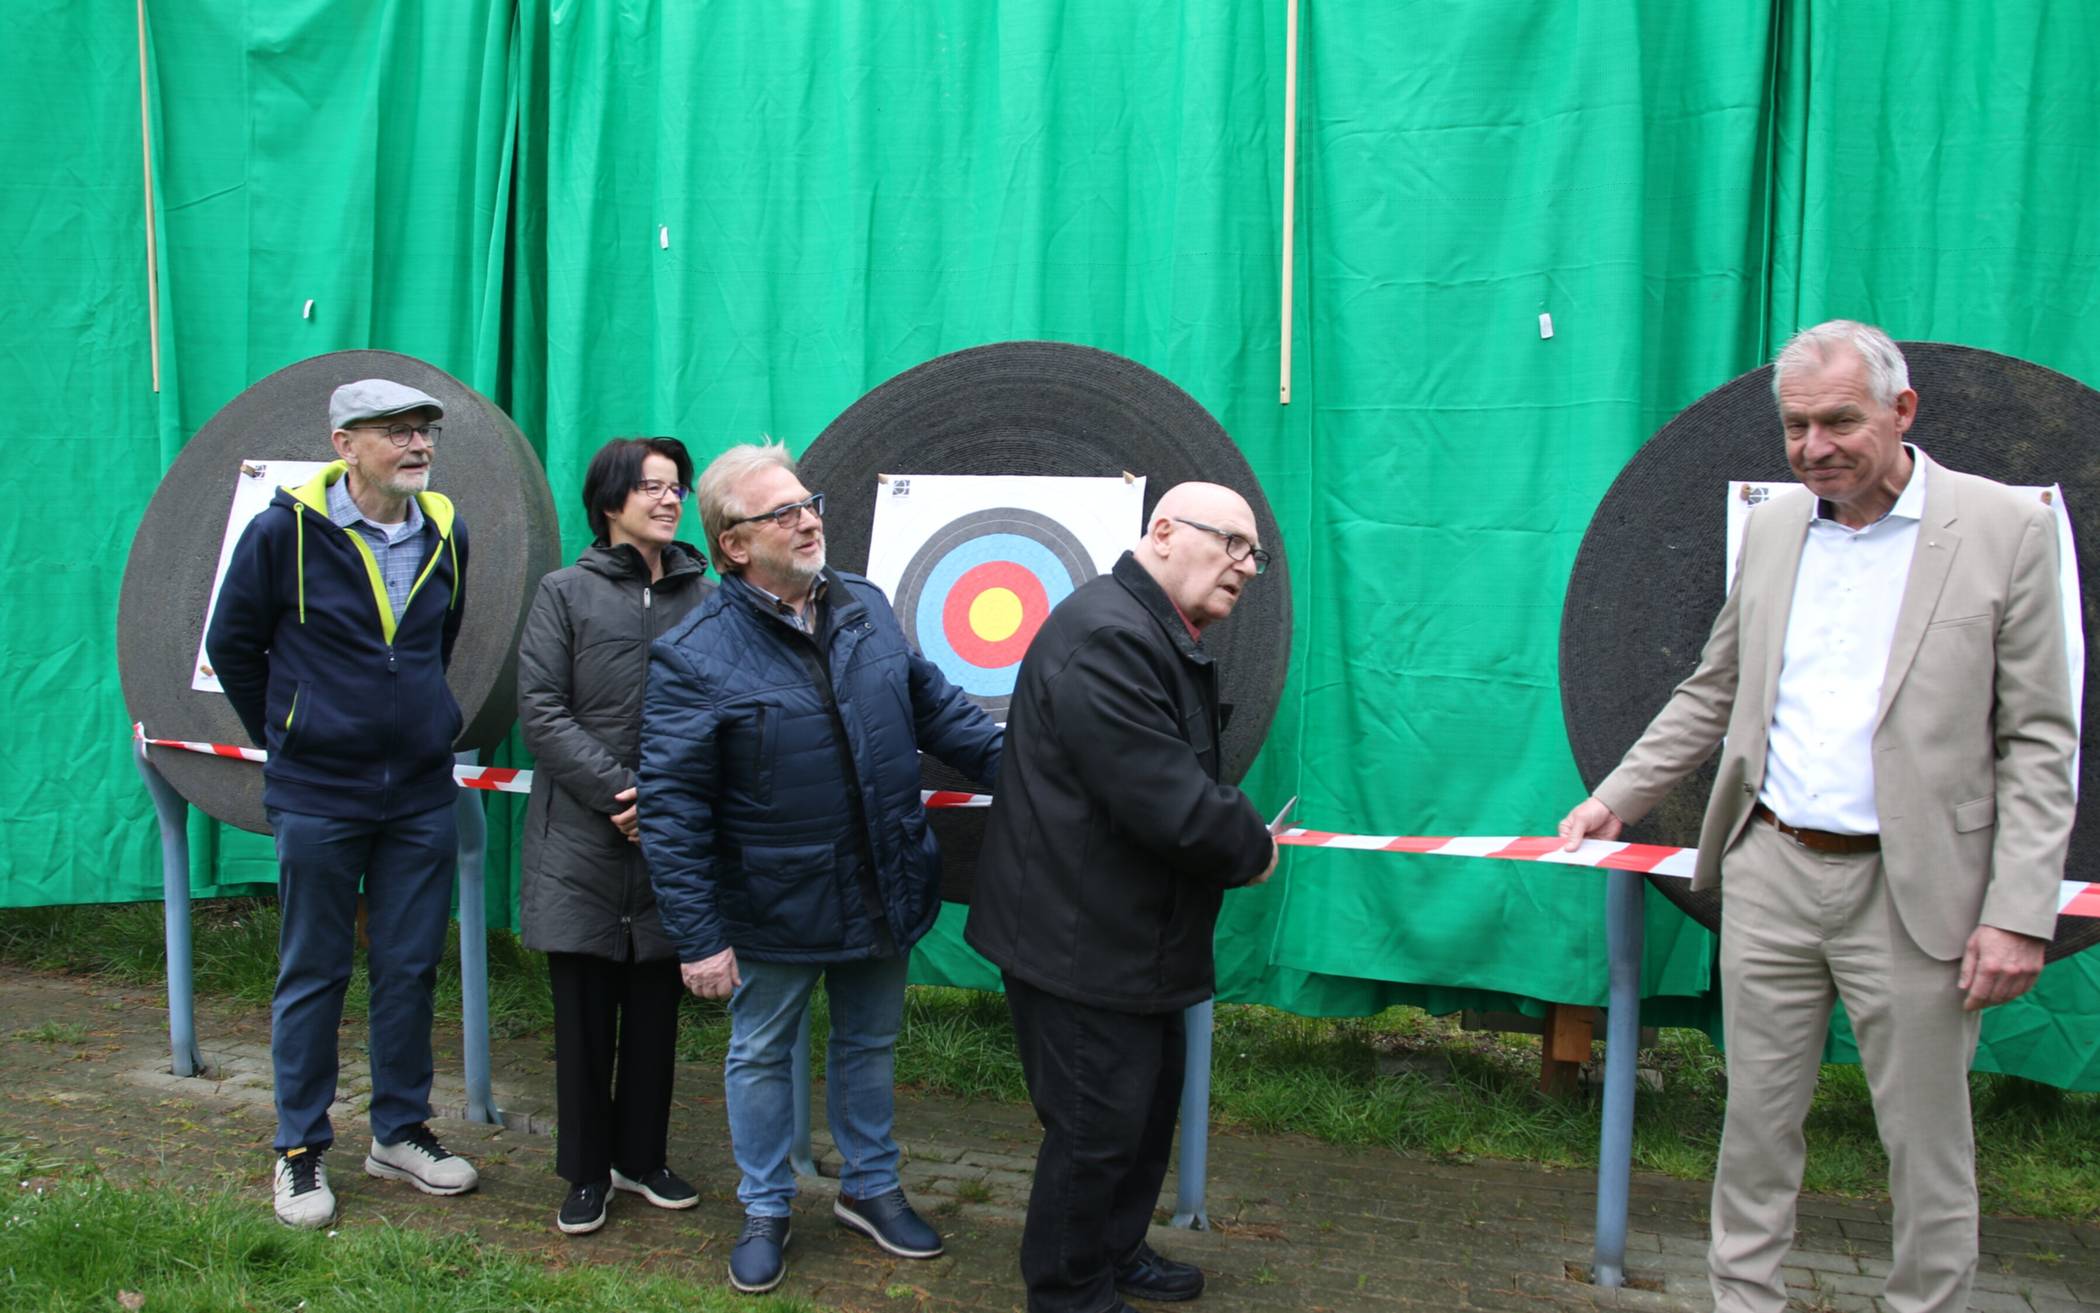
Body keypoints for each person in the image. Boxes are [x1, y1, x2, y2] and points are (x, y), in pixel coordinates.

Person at [1556, 321, 2076, 1313]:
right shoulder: (1779, 525)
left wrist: (2017, 911)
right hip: (1771, 871)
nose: (1815, 447)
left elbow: (2042, 740)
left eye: (1839, 421)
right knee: (1755, 1123)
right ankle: (1743, 1297)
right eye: (1796, 427)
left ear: (1902, 409)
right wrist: (1615, 793)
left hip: (1920, 890)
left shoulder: (2008, 527)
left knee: (1926, 1141)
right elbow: (1715, 687)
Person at [637, 440, 1002, 1294]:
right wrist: (698, 937)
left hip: (883, 883)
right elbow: (674, 807)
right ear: (734, 543)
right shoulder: (695, 654)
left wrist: (1036, 775)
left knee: (869, 1042)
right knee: (762, 1051)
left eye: (810, 504)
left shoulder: (867, 605)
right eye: (782, 513)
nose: (807, 522)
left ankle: (870, 1188)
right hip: (774, 903)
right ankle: (766, 1205)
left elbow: (939, 711)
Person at [965, 483, 1282, 1313]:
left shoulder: (1149, 630)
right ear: (1166, 531)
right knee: (1095, 1132)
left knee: (1141, 1121)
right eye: (1233, 545)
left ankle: (1114, 1250)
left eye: (1255, 555)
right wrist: (1251, 845)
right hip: (1080, 941)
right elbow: (1163, 795)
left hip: (1133, 936)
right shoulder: (1108, 634)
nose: (1246, 567)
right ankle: (1069, 1291)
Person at [205, 378, 479, 1228]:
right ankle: (298, 1148)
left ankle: (398, 1131)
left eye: (425, 430)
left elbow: (441, 637)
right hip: (319, 791)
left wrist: (419, 723)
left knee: (408, 965)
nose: (417, 444)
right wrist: (294, 732)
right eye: (395, 431)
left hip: (422, 792)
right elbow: (232, 645)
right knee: (313, 969)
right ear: (343, 443)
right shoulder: (279, 532)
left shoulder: (447, 529)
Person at [517, 436, 714, 1235]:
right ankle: (585, 1171)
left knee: (657, 1010)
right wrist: (621, 794)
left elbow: (724, 707)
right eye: (652, 488)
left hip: (673, 842)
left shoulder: (711, 597)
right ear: (609, 502)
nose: (670, 500)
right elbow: (541, 710)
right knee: (586, 1014)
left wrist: (668, 804)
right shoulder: (564, 592)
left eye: (677, 488)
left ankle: (643, 1158)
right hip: (582, 842)